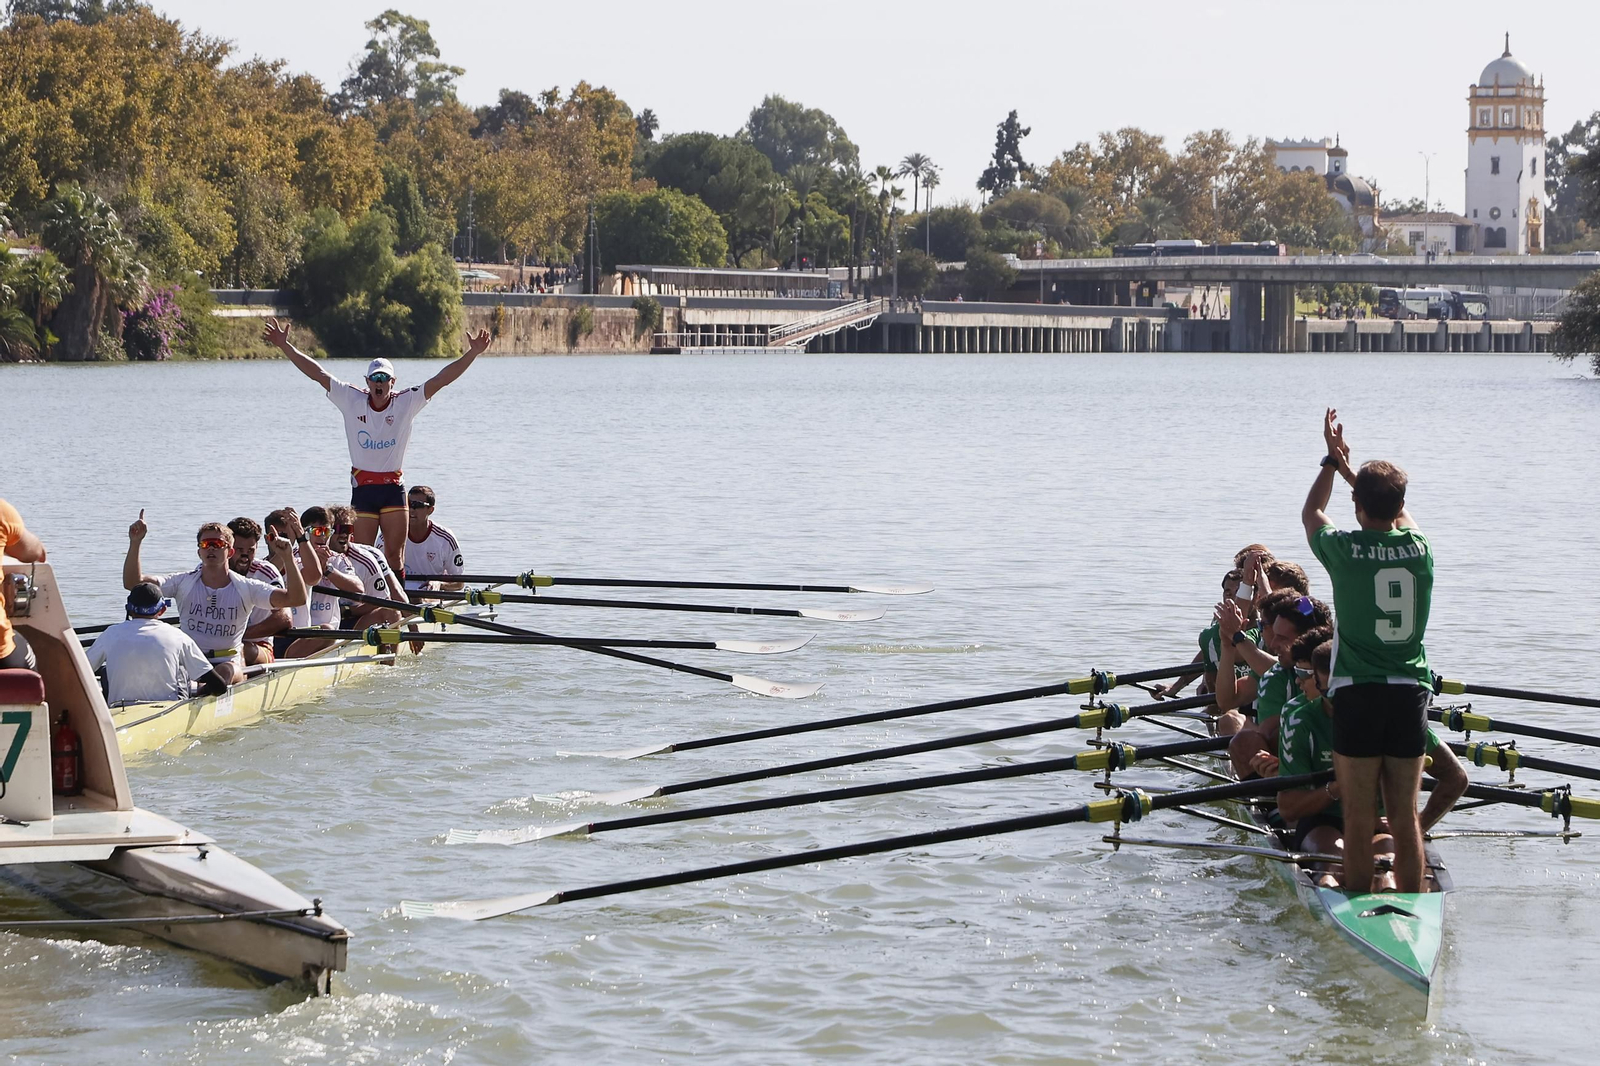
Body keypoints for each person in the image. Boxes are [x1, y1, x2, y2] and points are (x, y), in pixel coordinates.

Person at [1302, 408, 1434, 895]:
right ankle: (1413, 900)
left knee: (1358, 817)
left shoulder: (1344, 549)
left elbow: (1311, 513)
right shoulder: (1420, 547)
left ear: (1357, 506)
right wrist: (1354, 476)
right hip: (1409, 695)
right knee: (1403, 817)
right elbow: (1391, 509)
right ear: (1400, 502)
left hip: (1357, 694)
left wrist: (1331, 462)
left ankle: (1358, 904)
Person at [260, 318, 492, 579]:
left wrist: (472, 353)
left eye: (384, 379)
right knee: (363, 553)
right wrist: (285, 346)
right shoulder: (351, 399)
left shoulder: (406, 401)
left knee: (394, 555)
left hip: (393, 488)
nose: (379, 384)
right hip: (364, 489)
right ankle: (363, 604)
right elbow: (317, 373)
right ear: (367, 382)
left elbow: (441, 380)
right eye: (374, 379)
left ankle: (397, 606)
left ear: (393, 382)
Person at [1276, 634, 1469, 890]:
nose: (1343, 699)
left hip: (1380, 821)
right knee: (1330, 861)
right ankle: (1330, 891)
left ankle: (1391, 899)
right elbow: (1287, 808)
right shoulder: (1300, 722)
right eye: (1332, 691)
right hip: (1325, 820)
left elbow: (1456, 779)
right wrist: (1335, 789)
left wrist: (1414, 828)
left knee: (1386, 863)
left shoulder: (1395, 718)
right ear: (1319, 684)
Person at [124, 514, 308, 685]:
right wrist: (135, 543)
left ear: (229, 552)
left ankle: (203, 693)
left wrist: (288, 558)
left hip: (228, 662)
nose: (211, 548)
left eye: (217, 544)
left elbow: (296, 598)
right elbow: (133, 583)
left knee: (225, 671)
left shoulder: (247, 587)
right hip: (191, 661)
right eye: (206, 544)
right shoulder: (182, 582)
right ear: (199, 552)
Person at [1215, 592, 1331, 779]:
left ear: (1308, 637)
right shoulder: (1276, 676)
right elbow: (1227, 701)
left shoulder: (1346, 666)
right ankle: (1271, 796)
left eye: (1283, 638)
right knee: (1241, 736)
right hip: (1302, 764)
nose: (1273, 644)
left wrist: (1237, 638)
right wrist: (1228, 646)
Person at [86, 582, 228, 704]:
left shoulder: (110, 633)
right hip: (166, 712)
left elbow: (80, 671)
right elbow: (219, 686)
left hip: (120, 712)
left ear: (128, 609)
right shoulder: (177, 636)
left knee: (105, 671)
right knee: (181, 668)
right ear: (162, 610)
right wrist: (199, 696)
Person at [282, 506, 363, 659]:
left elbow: (358, 590)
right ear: (305, 532)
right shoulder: (291, 557)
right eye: (318, 532)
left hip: (326, 634)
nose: (323, 538)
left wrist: (328, 570)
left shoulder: (337, 559)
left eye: (328, 532)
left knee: (326, 629)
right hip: (298, 633)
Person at [228, 517, 291, 666]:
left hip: (258, 646)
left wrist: (241, 636)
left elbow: (285, 618)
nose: (245, 557)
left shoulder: (266, 572)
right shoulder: (211, 570)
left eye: (250, 551)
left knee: (241, 649)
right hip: (220, 646)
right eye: (239, 550)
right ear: (228, 548)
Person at [383, 485, 465, 592]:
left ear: (430, 510)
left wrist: (440, 584)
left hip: (430, 593)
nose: (411, 509)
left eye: (417, 505)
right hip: (399, 590)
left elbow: (460, 582)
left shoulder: (445, 539)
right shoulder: (388, 536)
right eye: (408, 504)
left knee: (420, 598)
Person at [0, 498, 47, 670]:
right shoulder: (2, 512)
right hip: (0, 649)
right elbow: (36, 553)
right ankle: (30, 698)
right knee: (28, 677)